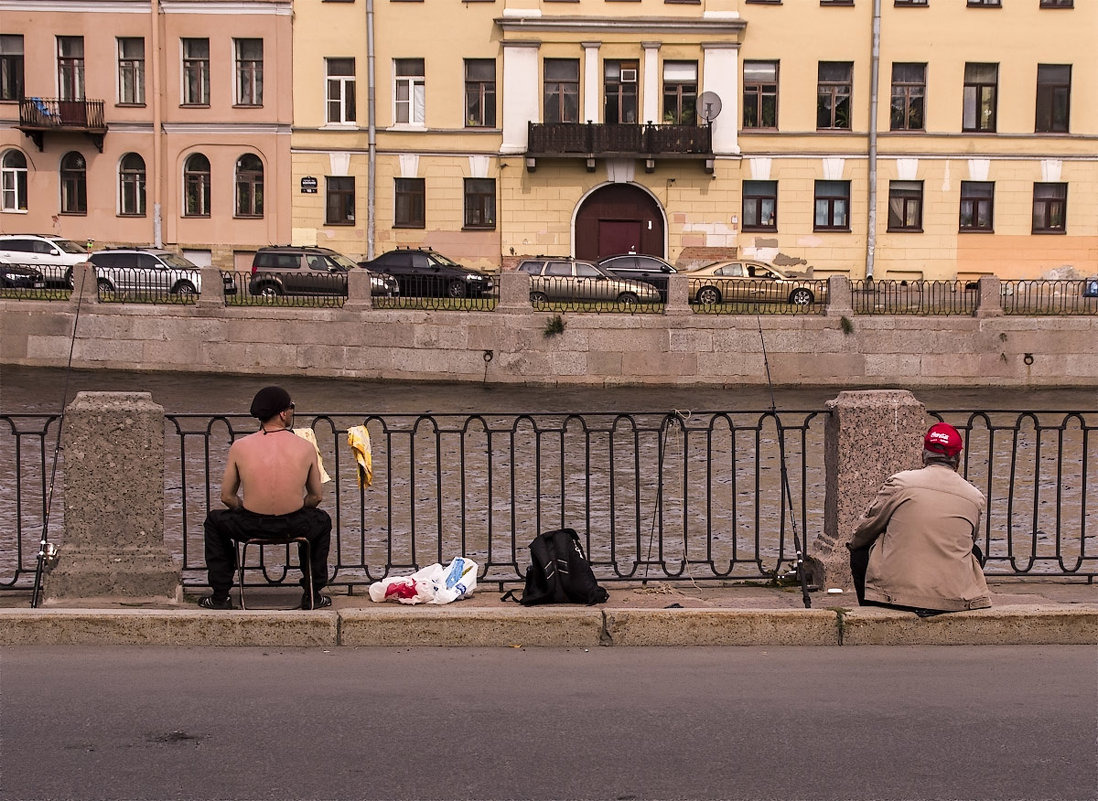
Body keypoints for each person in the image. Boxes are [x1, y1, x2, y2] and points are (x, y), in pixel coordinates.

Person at [200, 386, 332, 610]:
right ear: (282, 413)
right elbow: (316, 496)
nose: (291, 412)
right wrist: (299, 506)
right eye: (291, 408)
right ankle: (313, 593)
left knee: (214, 521)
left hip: (251, 525)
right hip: (293, 524)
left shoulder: (240, 447)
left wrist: (244, 508)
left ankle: (221, 595)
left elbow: (227, 496)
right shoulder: (306, 447)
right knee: (322, 520)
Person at [846, 422, 990, 617]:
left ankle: (872, 611)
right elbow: (970, 540)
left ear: (923, 455)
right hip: (953, 598)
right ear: (958, 459)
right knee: (974, 551)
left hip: (895, 597)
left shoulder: (901, 483)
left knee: (860, 549)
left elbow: (864, 530)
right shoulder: (974, 497)